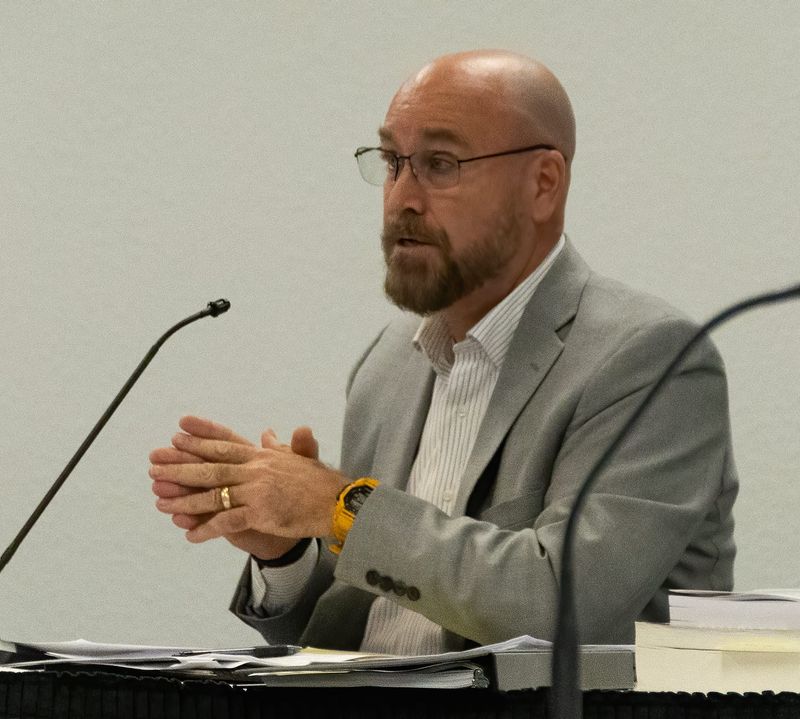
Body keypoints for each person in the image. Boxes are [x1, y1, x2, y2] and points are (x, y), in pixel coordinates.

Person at [149, 50, 737, 653]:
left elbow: (559, 607)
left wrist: (339, 506)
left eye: (440, 163)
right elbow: (373, 627)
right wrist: (287, 548)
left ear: (543, 184)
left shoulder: (652, 361)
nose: (401, 197)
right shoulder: (388, 368)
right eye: (391, 161)